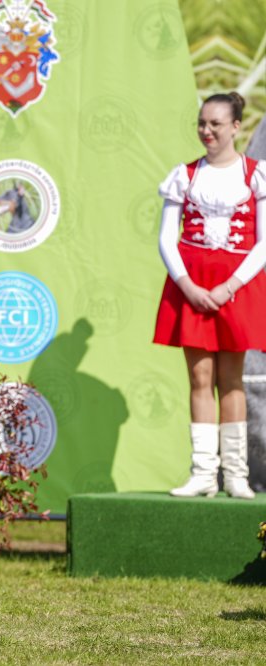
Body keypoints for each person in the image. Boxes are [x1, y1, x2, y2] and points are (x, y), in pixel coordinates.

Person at [153, 92, 266, 499]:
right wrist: (188, 286)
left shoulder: (256, 174)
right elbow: (167, 239)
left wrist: (228, 286)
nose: (207, 131)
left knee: (231, 380)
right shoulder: (184, 176)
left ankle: (235, 475)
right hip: (192, 285)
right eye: (202, 123)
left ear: (235, 126)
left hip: (238, 286)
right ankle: (203, 472)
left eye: (215, 124)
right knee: (199, 377)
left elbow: (263, 243)